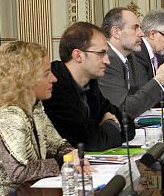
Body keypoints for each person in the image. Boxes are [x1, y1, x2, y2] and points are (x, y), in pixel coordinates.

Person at [0, 41, 87, 196]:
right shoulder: (9, 115)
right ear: (24, 79)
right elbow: (19, 172)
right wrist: (64, 162)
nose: (54, 79)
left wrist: (72, 154)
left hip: (26, 195)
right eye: (46, 74)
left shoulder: (34, 107)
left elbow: (56, 145)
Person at [43, 22, 134, 152]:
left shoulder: (90, 83)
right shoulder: (55, 88)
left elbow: (128, 126)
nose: (107, 61)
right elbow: (90, 143)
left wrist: (103, 129)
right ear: (78, 55)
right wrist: (111, 123)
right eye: (101, 53)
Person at [98, 8, 164, 119]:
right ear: (116, 32)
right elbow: (124, 110)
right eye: (135, 28)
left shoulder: (130, 57)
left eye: (140, 28)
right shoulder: (108, 60)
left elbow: (139, 96)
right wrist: (159, 80)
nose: (141, 33)